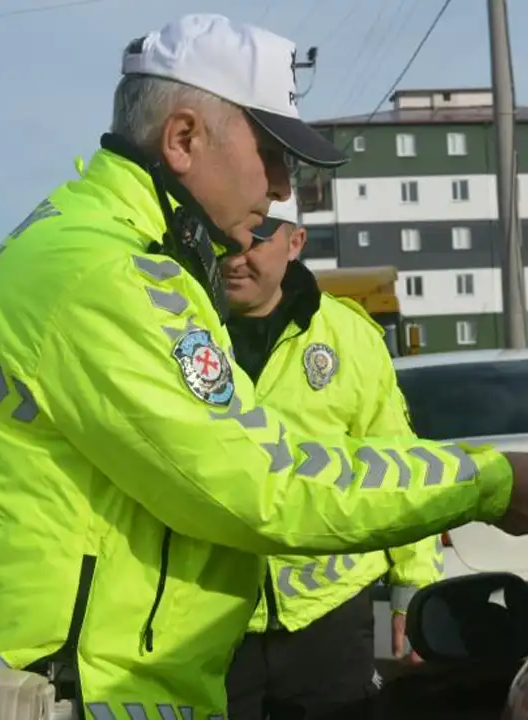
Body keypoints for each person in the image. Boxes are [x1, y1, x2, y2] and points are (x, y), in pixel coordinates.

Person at [0, 14, 528, 720]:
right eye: (272, 153)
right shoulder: (110, 274)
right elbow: (264, 485)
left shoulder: (85, 247)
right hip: (75, 697)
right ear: (183, 139)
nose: (279, 186)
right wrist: (486, 481)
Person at [219, 195, 436, 719]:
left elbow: (397, 460)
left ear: (295, 243)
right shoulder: (174, 329)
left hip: (330, 617)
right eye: (226, 237)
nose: (237, 255)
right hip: (208, 620)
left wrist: (416, 588)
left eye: (259, 237)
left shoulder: (348, 335)